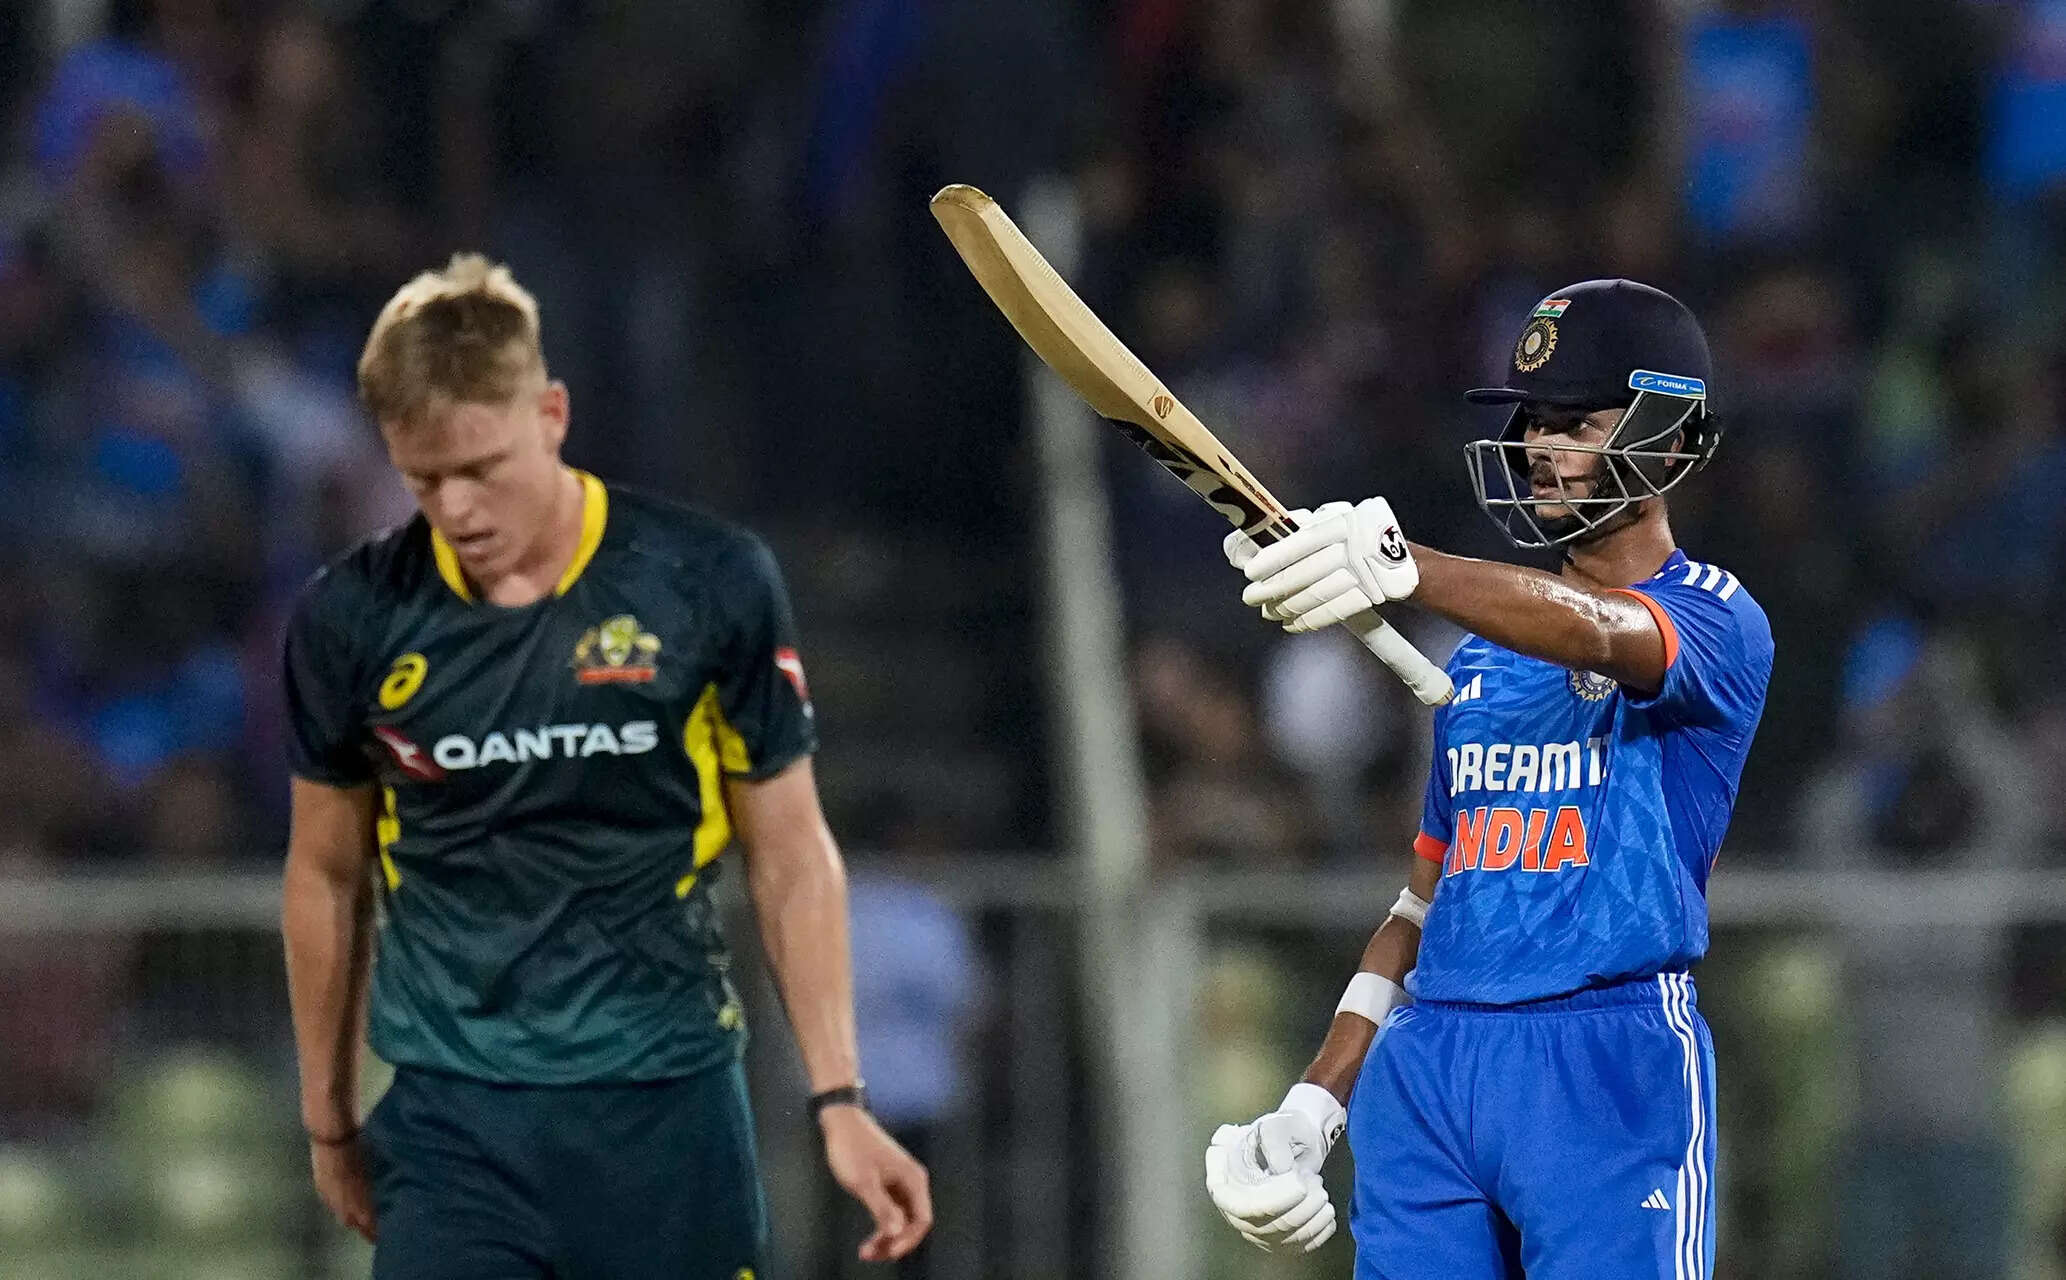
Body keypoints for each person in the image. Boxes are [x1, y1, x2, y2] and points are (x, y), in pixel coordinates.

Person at [279, 254, 930, 1278]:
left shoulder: (705, 582)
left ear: (552, 414)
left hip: (666, 1116)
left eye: (481, 468)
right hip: (454, 1129)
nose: (456, 509)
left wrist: (839, 1097)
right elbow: (326, 871)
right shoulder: (352, 617)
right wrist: (327, 1118)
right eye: (423, 480)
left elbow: (791, 851)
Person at [1204, 279, 1773, 1279]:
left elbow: (1607, 632)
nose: (1543, 447)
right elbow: (1418, 908)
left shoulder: (1720, 618)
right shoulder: (1477, 661)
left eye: (1579, 423)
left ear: (1671, 439)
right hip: (1429, 1069)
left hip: (1606, 1063)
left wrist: (1404, 565)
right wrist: (1316, 1099)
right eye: (1536, 421)